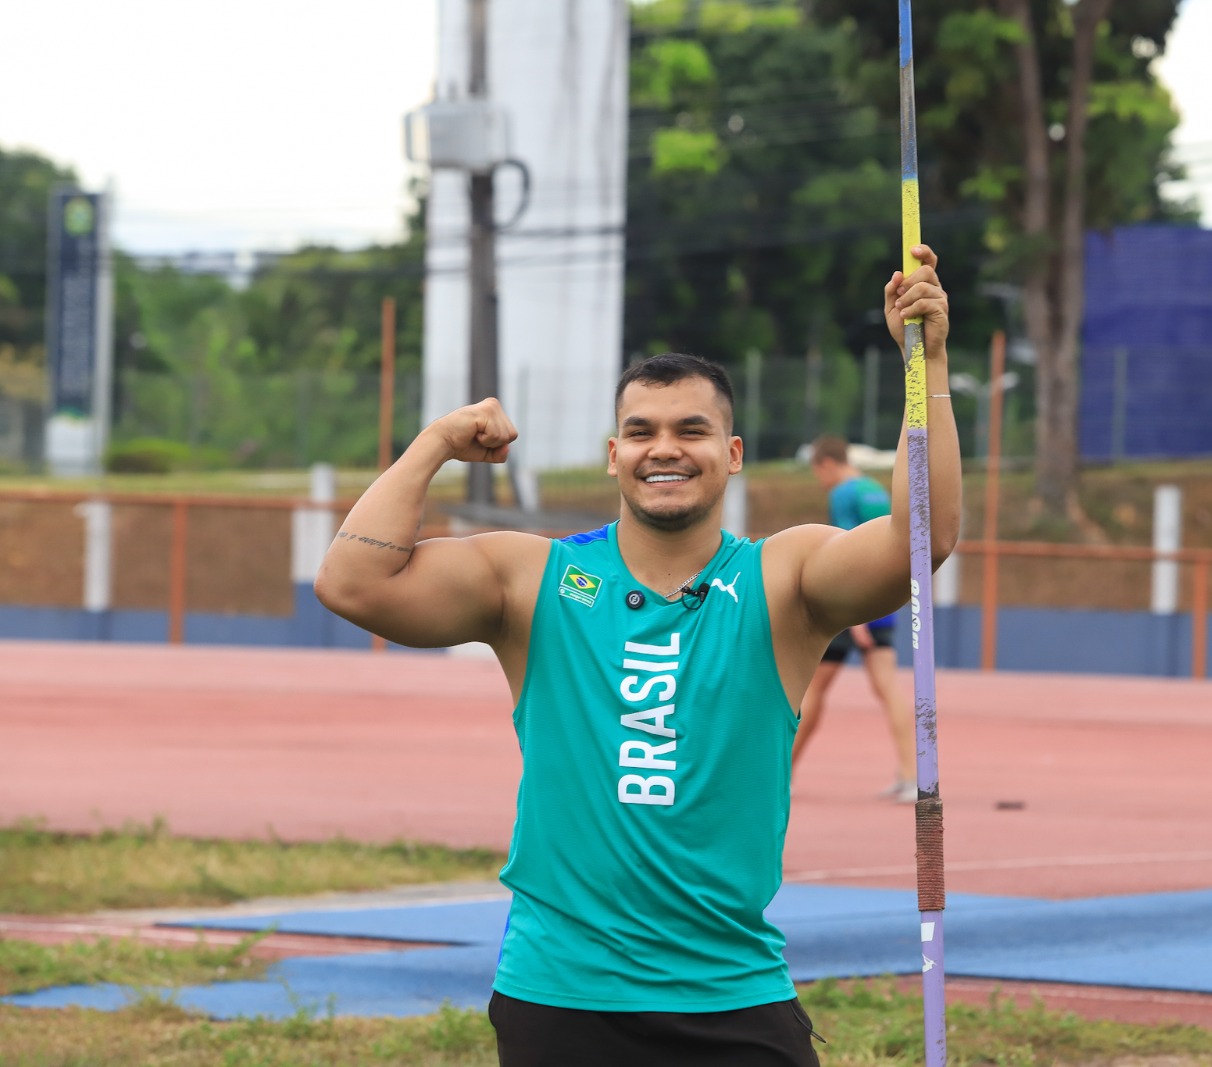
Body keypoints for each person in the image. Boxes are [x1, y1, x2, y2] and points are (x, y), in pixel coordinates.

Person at [314, 246, 960, 1067]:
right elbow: (352, 582)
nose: (665, 448)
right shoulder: (532, 577)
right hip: (562, 995)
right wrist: (436, 441)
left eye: (692, 430)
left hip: (731, 998)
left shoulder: (782, 576)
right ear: (612, 454)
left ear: (730, 454)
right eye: (641, 431)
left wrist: (927, 362)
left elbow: (922, 538)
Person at [792, 435, 917, 803]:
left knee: (811, 691)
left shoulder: (843, 494)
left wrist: (855, 619)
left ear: (826, 464)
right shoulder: (874, 488)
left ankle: (781, 774)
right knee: (889, 689)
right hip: (886, 600)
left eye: (818, 473)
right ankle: (912, 775)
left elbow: (848, 550)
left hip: (853, 607)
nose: (821, 481)